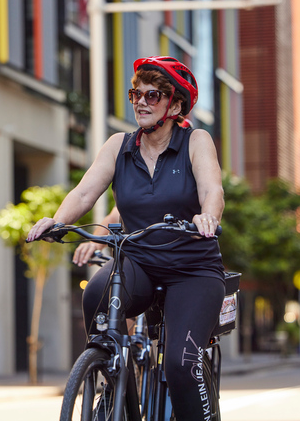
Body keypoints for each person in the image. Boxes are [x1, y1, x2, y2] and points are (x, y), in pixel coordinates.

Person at [27, 56, 225, 419]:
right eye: (136, 94)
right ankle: (114, 378)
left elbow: (213, 188)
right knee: (95, 295)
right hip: (140, 263)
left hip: (192, 270)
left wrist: (208, 216)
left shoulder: (195, 140)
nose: (141, 102)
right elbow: (85, 193)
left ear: (175, 104)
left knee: (180, 366)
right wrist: (56, 221)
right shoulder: (119, 145)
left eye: (153, 95)